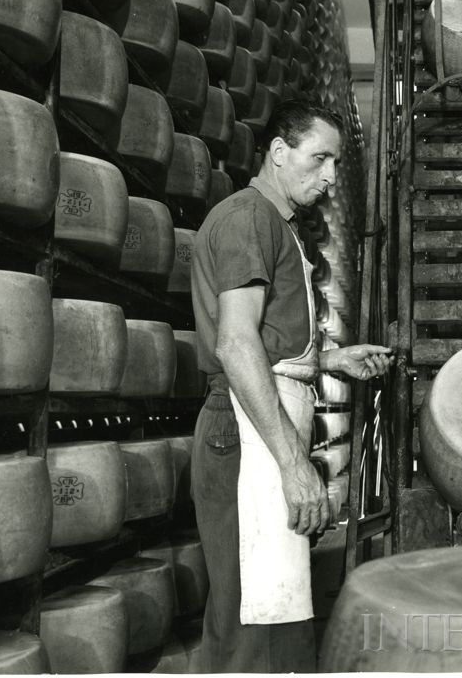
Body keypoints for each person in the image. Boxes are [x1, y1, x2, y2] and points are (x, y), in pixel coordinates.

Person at [191, 99, 393, 673]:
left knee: (267, 611)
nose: (329, 177)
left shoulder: (278, 226)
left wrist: (334, 358)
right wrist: (292, 463)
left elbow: (272, 342)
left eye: (336, 162)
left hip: (261, 423)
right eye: (319, 158)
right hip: (246, 430)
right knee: (251, 616)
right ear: (279, 153)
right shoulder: (247, 217)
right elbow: (236, 343)